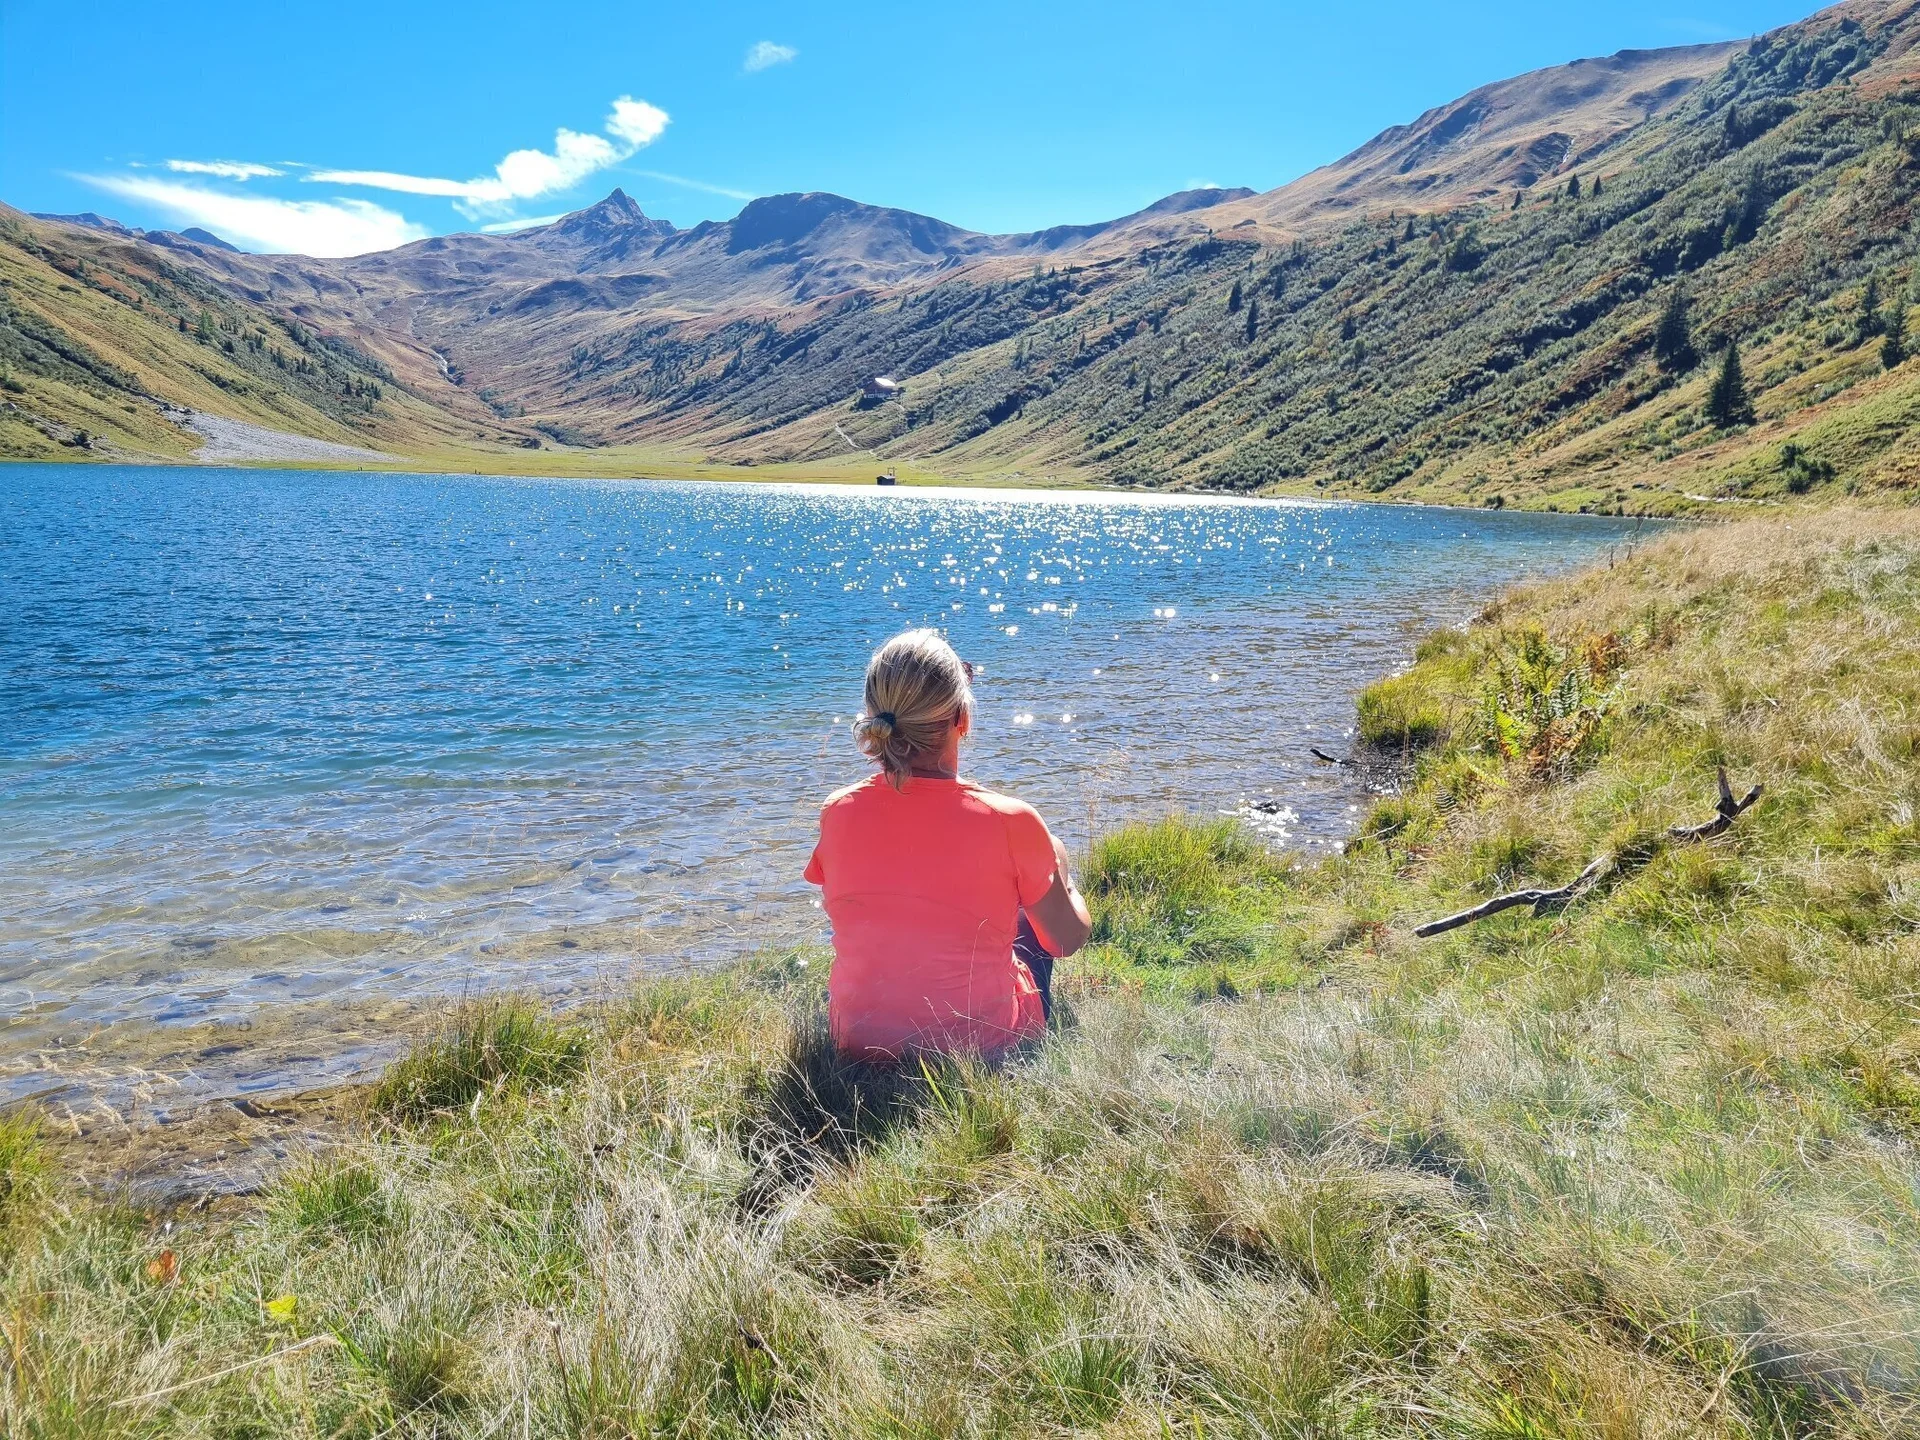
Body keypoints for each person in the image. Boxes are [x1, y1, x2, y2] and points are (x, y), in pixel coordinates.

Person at [804, 629, 1092, 1062]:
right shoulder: (1009, 820)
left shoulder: (838, 810)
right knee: (1034, 902)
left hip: (857, 1043)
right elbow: (1066, 941)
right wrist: (1064, 876)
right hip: (980, 1047)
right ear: (962, 719)